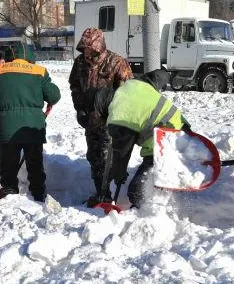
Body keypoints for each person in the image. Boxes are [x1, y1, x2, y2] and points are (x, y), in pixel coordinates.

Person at [87, 69, 189, 208]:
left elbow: (121, 153)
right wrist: (168, 75)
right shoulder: (131, 84)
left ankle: (157, 210)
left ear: (102, 108)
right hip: (183, 130)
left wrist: (119, 175)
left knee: (136, 192)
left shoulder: (118, 115)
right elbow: (157, 76)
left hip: (165, 146)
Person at [0, 43, 61, 202]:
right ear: (30, 56)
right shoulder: (39, 71)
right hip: (32, 127)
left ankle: (9, 190)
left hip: (7, 126)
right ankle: (39, 194)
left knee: (8, 163)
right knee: (35, 163)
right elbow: (53, 96)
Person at [69, 28, 133, 203]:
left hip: (110, 121)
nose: (87, 51)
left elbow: (128, 92)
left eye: (90, 47)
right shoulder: (80, 63)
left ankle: (111, 194)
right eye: (85, 47)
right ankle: (101, 193)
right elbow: (75, 87)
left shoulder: (117, 62)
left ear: (98, 45)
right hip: (91, 120)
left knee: (108, 159)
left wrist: (118, 116)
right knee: (94, 157)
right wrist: (79, 109)